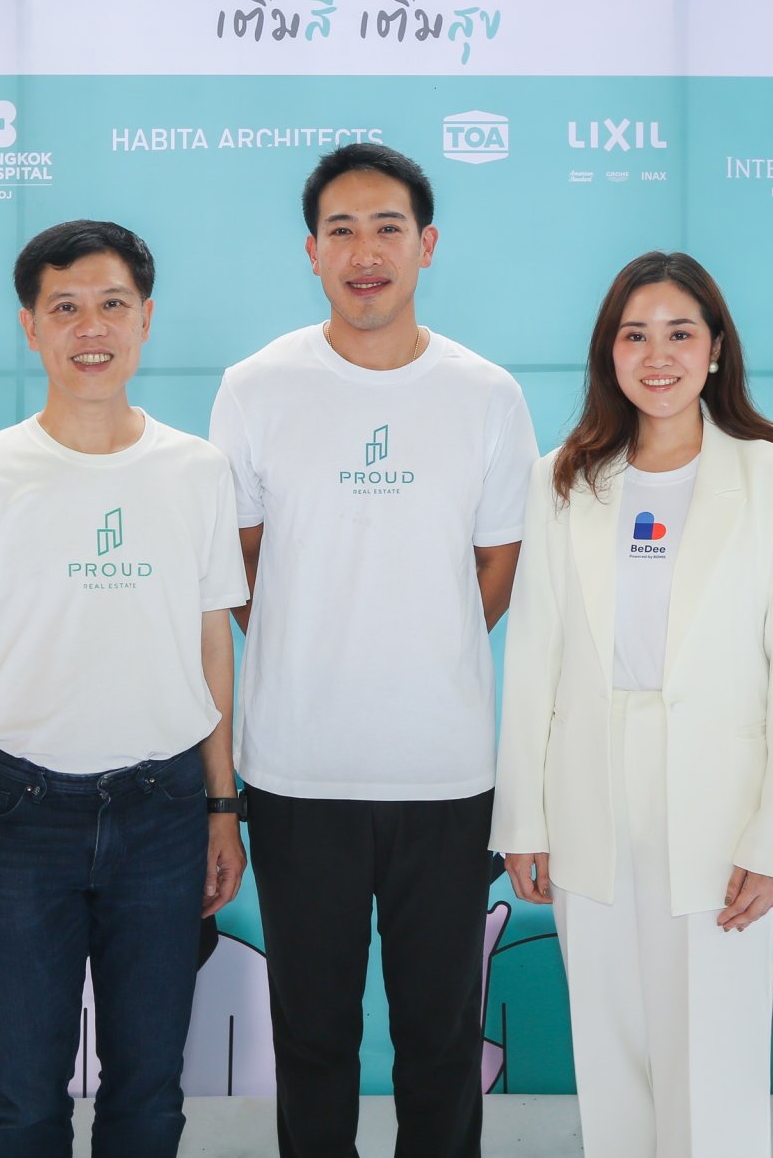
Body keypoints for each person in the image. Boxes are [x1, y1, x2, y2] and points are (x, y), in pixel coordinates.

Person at [207, 143, 537, 1156]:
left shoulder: (485, 393)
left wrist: (423, 640)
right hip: (298, 772)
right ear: (311, 251)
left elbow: (499, 564)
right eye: (341, 230)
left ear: (426, 245)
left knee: (441, 1037)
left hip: (446, 773)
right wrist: (313, 638)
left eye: (388, 228)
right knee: (313, 1036)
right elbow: (239, 564)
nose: (365, 252)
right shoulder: (257, 387)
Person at [0, 220, 249, 1158]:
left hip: (164, 810)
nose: (90, 328)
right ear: (30, 326)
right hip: (21, 813)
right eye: (64, 308)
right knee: (24, 1091)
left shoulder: (197, 470)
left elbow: (212, 645)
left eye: (111, 305)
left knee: (150, 1090)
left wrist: (223, 807)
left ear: (146, 320)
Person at [493, 251, 773, 1158]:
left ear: (716, 349)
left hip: (723, 805)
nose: (658, 355)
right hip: (589, 791)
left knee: (715, 1054)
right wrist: (524, 819)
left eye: (681, 333)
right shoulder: (563, 478)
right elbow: (533, 657)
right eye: (634, 335)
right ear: (609, 353)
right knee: (611, 1052)